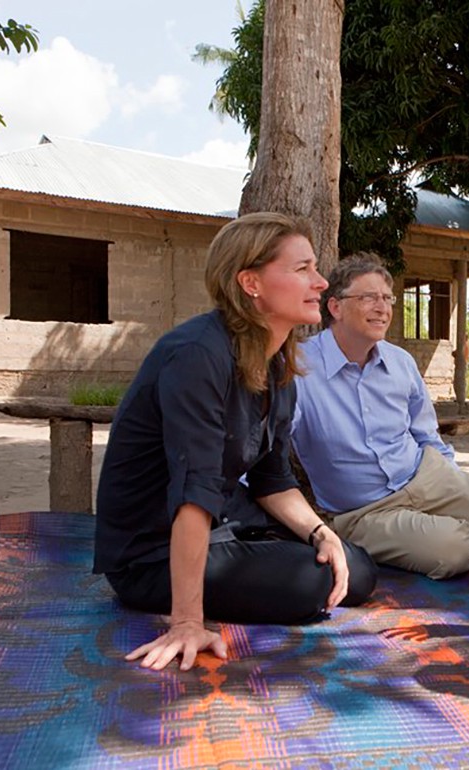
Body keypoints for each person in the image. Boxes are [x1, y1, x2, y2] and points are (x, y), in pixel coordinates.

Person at [94, 213, 378, 672]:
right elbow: (194, 489)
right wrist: (188, 621)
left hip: (225, 519)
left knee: (356, 569)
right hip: (152, 552)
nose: (321, 282)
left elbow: (271, 479)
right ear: (251, 282)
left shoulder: (278, 363)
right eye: (302, 269)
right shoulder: (196, 356)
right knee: (312, 583)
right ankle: (185, 598)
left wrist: (320, 532)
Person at [291, 254, 469, 579]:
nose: (382, 308)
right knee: (452, 551)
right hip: (364, 511)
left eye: (387, 298)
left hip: (428, 477)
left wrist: (460, 484)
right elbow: (266, 452)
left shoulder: (401, 362)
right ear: (335, 307)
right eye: (368, 298)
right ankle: (460, 536)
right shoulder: (297, 368)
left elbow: (427, 436)